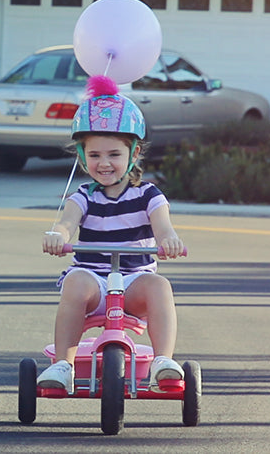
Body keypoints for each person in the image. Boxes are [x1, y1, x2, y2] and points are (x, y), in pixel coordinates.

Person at [37, 75, 188, 392]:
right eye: (94, 155)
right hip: (92, 281)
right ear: (82, 156)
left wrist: (168, 240)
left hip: (133, 283)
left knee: (160, 286)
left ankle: (163, 360)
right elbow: (67, 222)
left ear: (133, 154)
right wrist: (58, 235)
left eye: (114, 155)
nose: (104, 163)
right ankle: (64, 364)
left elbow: (163, 227)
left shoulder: (148, 196)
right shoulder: (84, 195)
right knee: (75, 282)